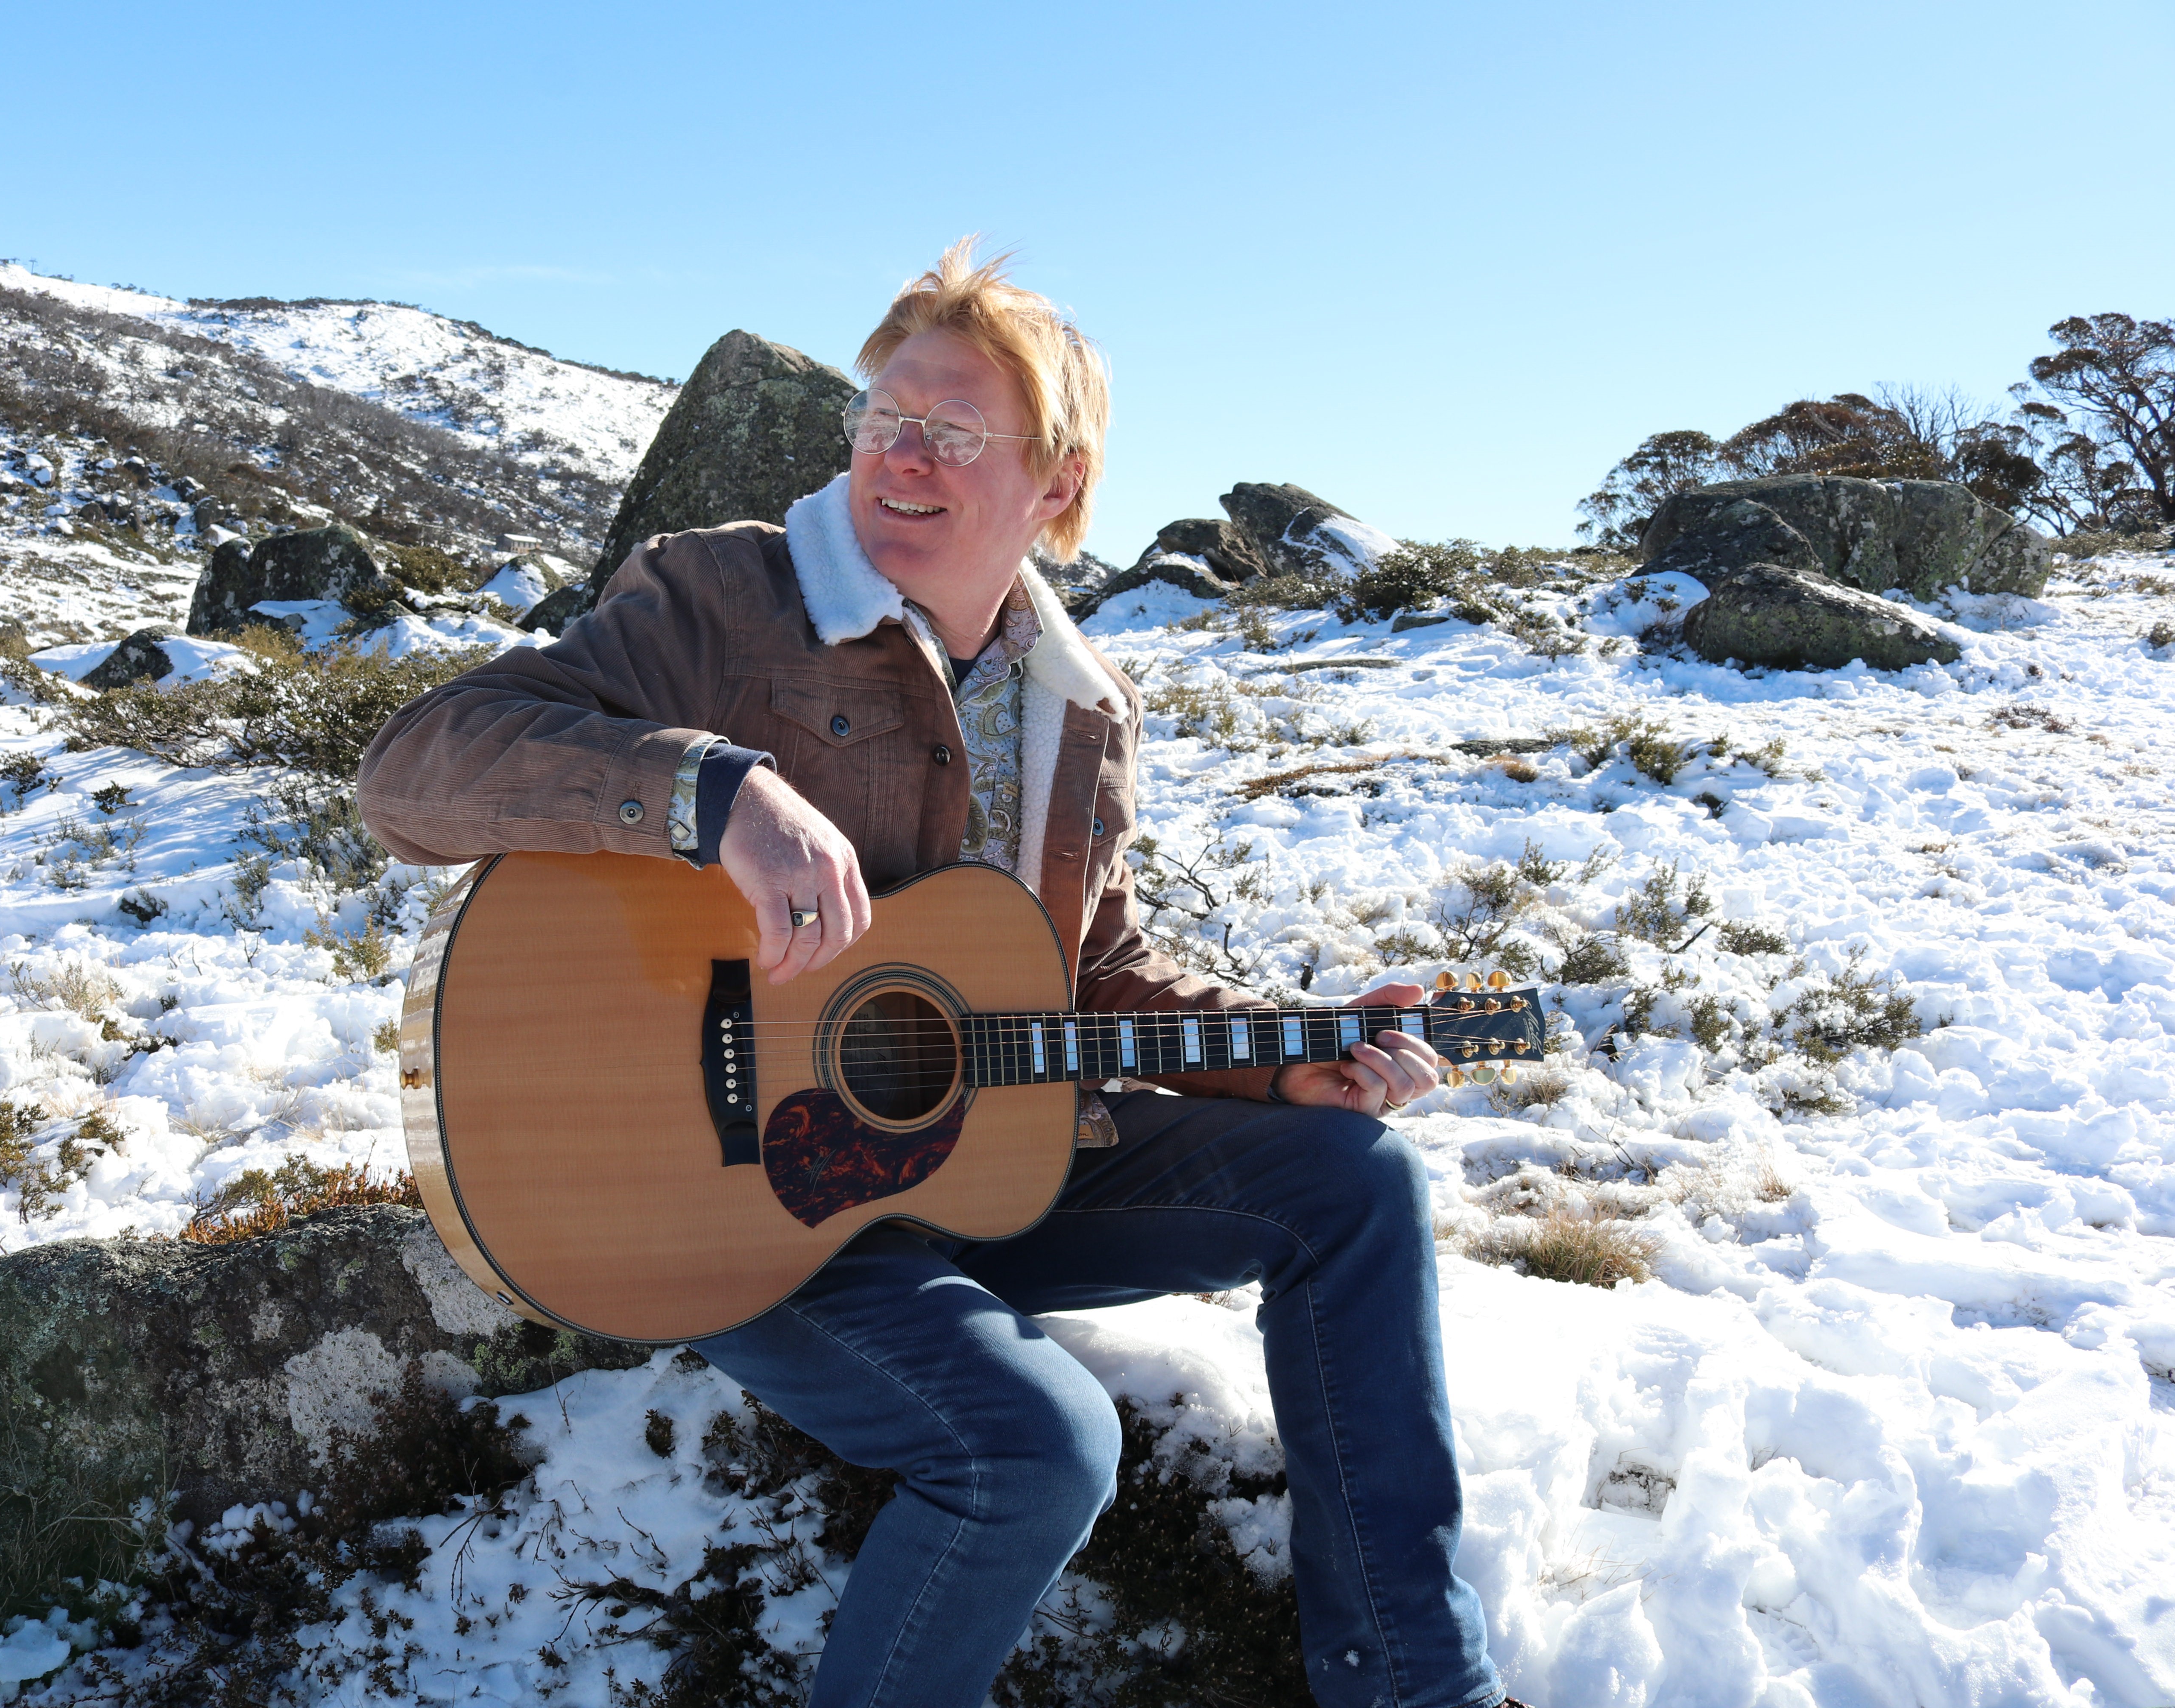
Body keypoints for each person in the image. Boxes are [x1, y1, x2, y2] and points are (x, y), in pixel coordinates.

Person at [355, 242, 1509, 1708]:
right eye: (884, 415)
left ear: (1058, 484)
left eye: (953, 430)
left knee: (1355, 1184)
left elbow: (1091, 984)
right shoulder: (729, 599)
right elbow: (415, 770)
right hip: (736, 1201)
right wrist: (713, 794)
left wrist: (1284, 1060)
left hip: (967, 1169)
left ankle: (1416, 1685)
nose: (900, 452)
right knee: (1039, 1447)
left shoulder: (1077, 708)